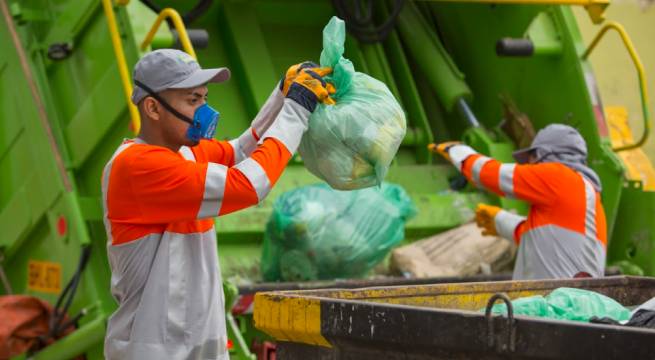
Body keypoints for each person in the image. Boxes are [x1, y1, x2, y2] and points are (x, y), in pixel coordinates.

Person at [101, 49, 332, 359]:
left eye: (204, 98)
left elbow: (242, 150)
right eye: (193, 100)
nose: (204, 111)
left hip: (196, 345)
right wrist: (297, 110)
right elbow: (249, 184)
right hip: (156, 350)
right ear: (154, 108)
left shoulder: (183, 152)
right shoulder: (137, 167)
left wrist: (282, 94)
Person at [433, 124, 607, 280]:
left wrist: (458, 151)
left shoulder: (559, 177)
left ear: (543, 154)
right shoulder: (588, 196)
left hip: (556, 308)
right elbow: (544, 241)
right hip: (572, 308)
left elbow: (490, 174)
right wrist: (500, 220)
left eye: (531, 158)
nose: (530, 166)